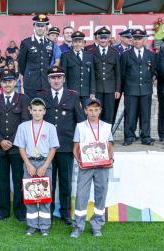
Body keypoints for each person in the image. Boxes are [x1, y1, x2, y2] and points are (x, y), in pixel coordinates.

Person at [37, 66, 85, 226]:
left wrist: (78, 146)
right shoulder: (41, 96)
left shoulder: (73, 96)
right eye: (53, 77)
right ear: (48, 79)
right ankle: (47, 212)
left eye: (59, 77)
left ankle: (65, 213)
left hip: (65, 147)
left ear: (64, 79)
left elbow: (80, 122)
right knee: (47, 182)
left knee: (65, 182)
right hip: (45, 148)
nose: (56, 80)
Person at [0, 69, 30, 222]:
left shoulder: (23, 99)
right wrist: (0, 141)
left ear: (15, 82)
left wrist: (11, 141)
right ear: (0, 83)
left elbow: (25, 122)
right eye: (4, 81)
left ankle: (20, 211)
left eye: (10, 81)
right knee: (3, 181)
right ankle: (3, 211)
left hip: (17, 148)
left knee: (19, 180)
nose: (7, 84)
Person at [14, 97, 59, 236]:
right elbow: (21, 147)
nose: (37, 113)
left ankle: (44, 226)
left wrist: (45, 165)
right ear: (30, 110)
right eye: (35, 110)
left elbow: (53, 148)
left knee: (44, 195)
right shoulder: (23, 126)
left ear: (44, 111)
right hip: (29, 162)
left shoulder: (50, 127)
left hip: (44, 162)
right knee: (31, 195)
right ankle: (32, 225)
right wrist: (28, 164)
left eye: (40, 110)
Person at [71, 98, 114, 238]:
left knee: (100, 195)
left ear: (100, 110)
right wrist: (78, 160)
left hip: (102, 166)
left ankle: (97, 226)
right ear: (85, 111)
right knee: (81, 195)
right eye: (90, 110)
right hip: (86, 167)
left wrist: (111, 159)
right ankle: (78, 227)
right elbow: (76, 147)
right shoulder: (80, 126)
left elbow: (109, 146)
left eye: (96, 110)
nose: (93, 113)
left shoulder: (107, 126)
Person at [121, 29, 156, 146]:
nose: (136, 41)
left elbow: (153, 72)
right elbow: (123, 73)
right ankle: (129, 137)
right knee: (130, 114)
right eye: (135, 38)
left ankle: (145, 137)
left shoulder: (151, 55)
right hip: (131, 89)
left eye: (139, 38)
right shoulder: (125, 55)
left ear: (145, 40)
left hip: (146, 89)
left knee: (145, 115)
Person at [18, 14, 61, 100]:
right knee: (30, 109)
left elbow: (48, 63)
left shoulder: (51, 44)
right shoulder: (26, 42)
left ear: (46, 27)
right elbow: (21, 63)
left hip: (46, 83)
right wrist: (23, 81)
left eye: (43, 26)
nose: (40, 28)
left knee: (46, 109)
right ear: (34, 26)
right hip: (30, 83)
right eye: (38, 25)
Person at [89, 27, 121, 124]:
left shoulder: (114, 53)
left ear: (109, 39)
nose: (103, 40)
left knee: (109, 113)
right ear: (97, 38)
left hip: (110, 89)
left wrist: (117, 89)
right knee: (96, 112)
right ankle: (97, 135)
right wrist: (92, 91)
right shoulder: (91, 52)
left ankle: (107, 136)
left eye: (105, 38)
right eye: (101, 38)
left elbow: (117, 73)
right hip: (97, 89)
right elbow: (91, 73)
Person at [61, 31, 96, 104]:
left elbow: (92, 75)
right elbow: (63, 75)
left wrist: (92, 91)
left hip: (85, 92)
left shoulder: (89, 56)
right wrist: (65, 91)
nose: (77, 44)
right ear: (72, 43)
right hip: (71, 91)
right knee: (72, 113)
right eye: (75, 42)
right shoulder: (65, 56)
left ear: (83, 43)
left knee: (85, 113)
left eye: (79, 42)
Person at [112, 29, 133, 125]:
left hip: (129, 82)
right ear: (121, 38)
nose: (130, 39)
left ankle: (129, 132)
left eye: (131, 37)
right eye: (128, 37)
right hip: (117, 83)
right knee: (113, 108)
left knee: (130, 108)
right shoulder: (114, 49)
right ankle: (109, 131)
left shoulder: (133, 49)